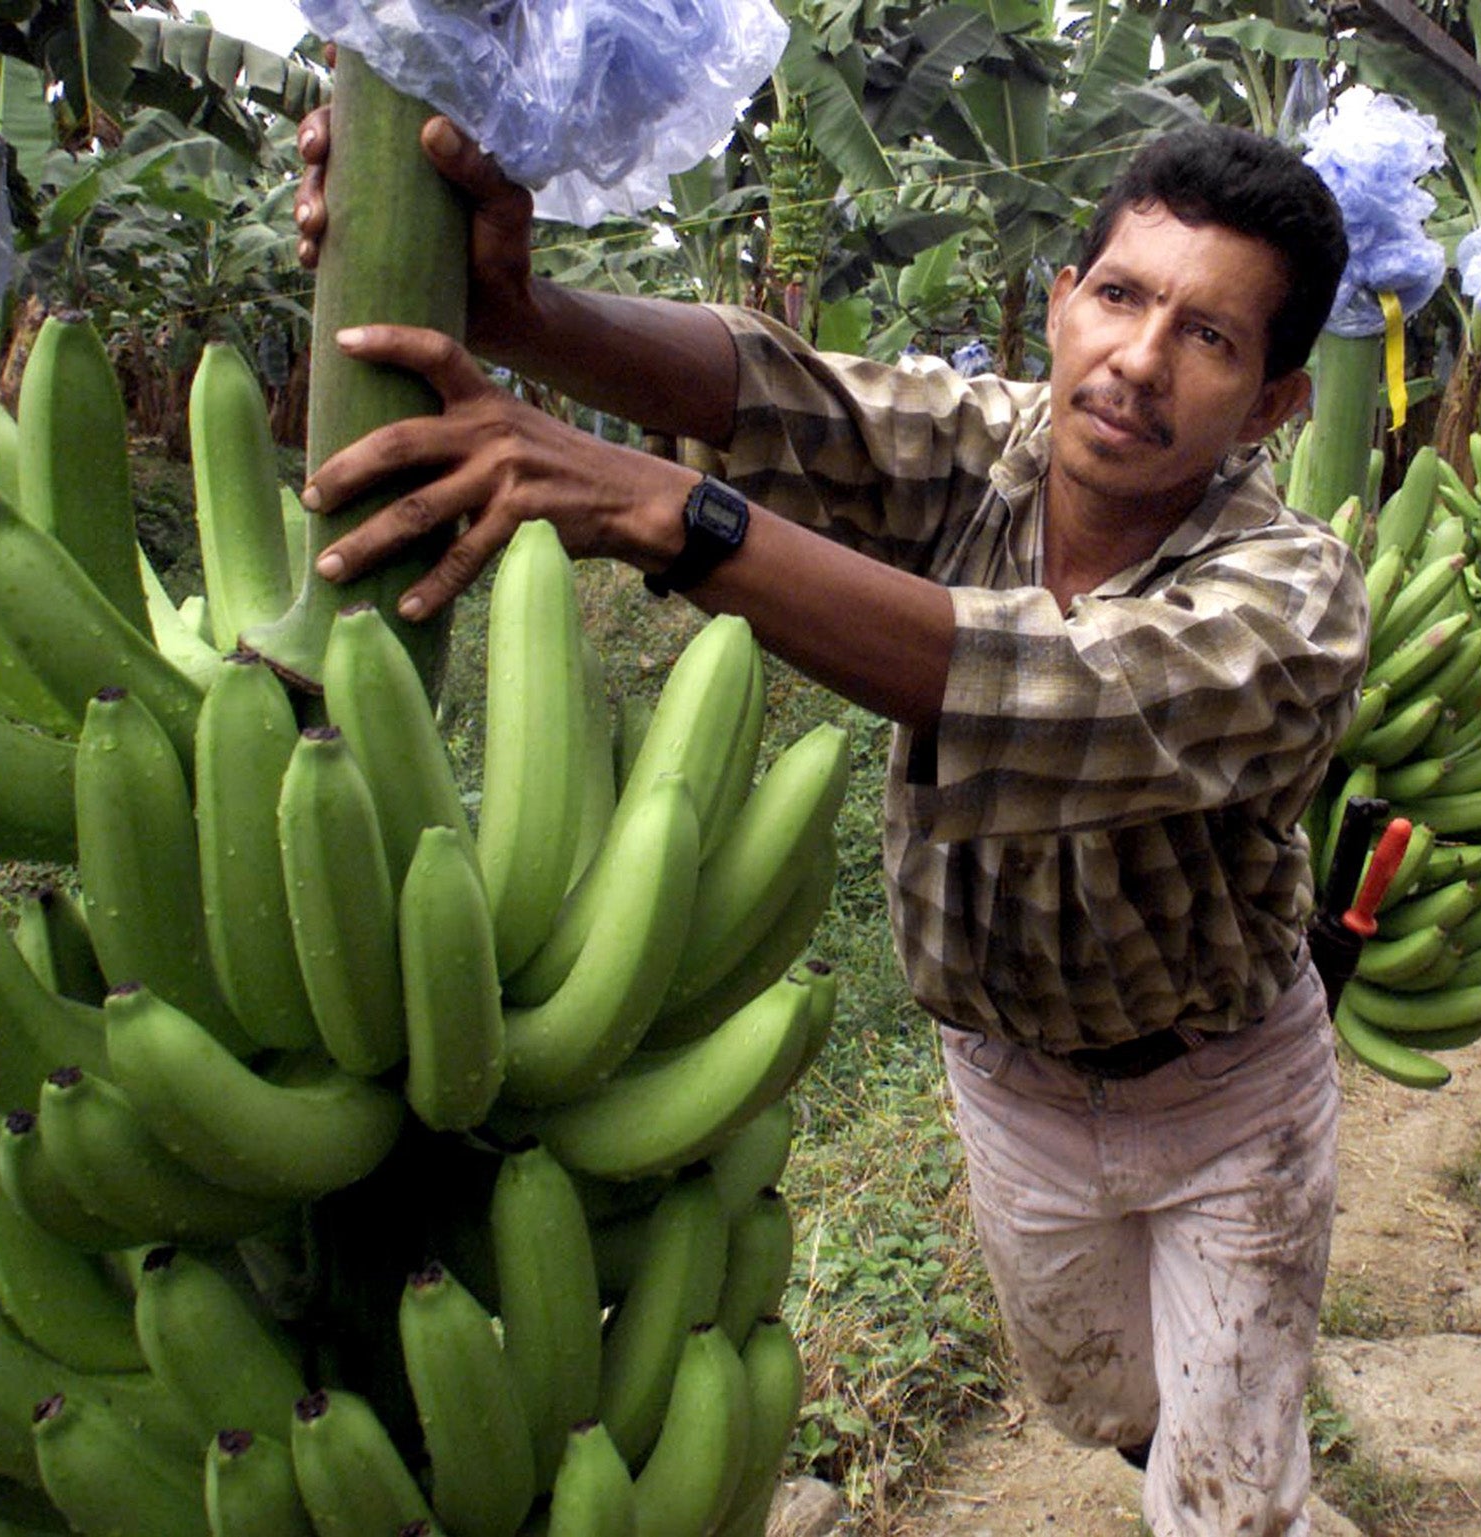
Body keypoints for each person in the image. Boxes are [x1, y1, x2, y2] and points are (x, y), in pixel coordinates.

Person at [294, 107, 1365, 1536]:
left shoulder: (1290, 602)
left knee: (1229, 1491)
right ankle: (1191, 1453)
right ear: (1065, 298)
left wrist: (680, 516)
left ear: (1276, 403)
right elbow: (778, 389)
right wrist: (515, 308)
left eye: (1211, 340)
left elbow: (1044, 690)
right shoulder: (989, 448)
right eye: (1120, 296)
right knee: (1101, 1401)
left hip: (1224, 1094)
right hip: (1010, 1081)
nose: (1139, 362)